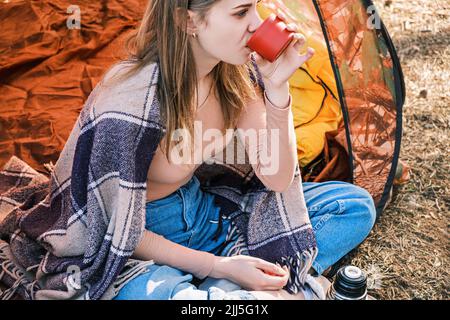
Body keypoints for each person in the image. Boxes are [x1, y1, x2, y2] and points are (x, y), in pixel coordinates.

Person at [106, 0, 377, 300]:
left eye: (255, 8)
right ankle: (263, 290)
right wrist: (220, 267)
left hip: (208, 217)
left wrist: (277, 89)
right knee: (144, 294)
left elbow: (276, 178)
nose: (257, 24)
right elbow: (116, 229)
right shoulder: (133, 97)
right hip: (146, 242)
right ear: (188, 21)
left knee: (353, 205)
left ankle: (249, 291)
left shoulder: (233, 74)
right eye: (240, 12)